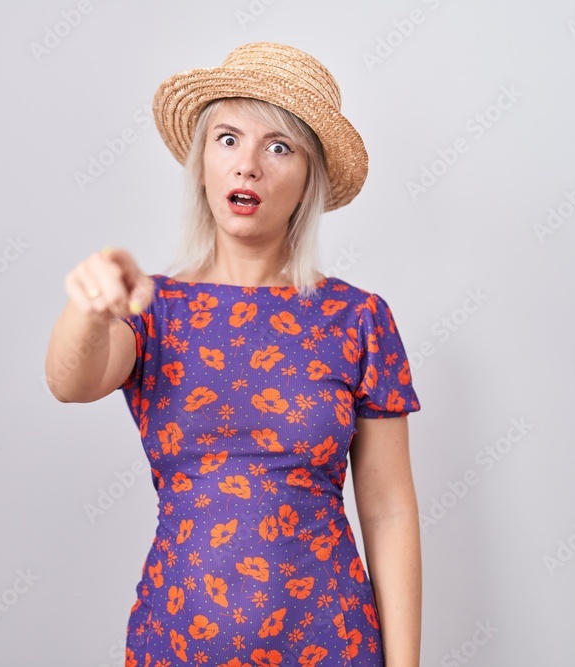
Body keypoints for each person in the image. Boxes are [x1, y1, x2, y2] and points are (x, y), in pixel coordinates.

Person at [46, 42, 422, 667]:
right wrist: (90, 305)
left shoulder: (359, 319)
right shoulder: (151, 308)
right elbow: (70, 382)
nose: (248, 164)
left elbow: (389, 512)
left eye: (280, 147)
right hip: (175, 643)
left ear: (309, 180)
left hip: (332, 645)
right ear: (201, 165)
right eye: (227, 139)